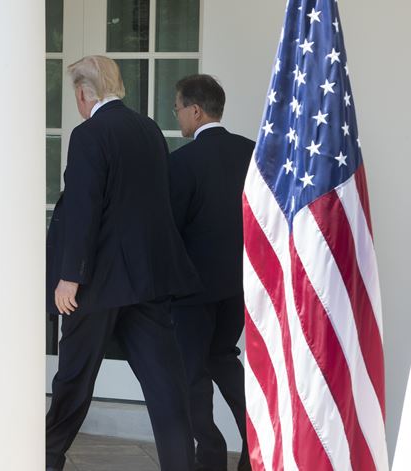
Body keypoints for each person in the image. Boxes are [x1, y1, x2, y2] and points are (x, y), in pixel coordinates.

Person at [45, 55, 201, 471]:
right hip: (146, 281)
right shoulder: (147, 129)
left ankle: (47, 459)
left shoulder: (89, 134)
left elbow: (84, 208)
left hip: (96, 285)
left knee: (74, 381)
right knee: (166, 386)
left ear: (83, 93)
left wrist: (69, 277)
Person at [169, 74, 254, 471]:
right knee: (222, 357)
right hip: (239, 285)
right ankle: (255, 442)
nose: (177, 115)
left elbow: (172, 227)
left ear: (196, 110)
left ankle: (212, 457)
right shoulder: (253, 153)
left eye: (178, 108)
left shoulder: (182, 161)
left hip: (192, 291)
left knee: (192, 374)